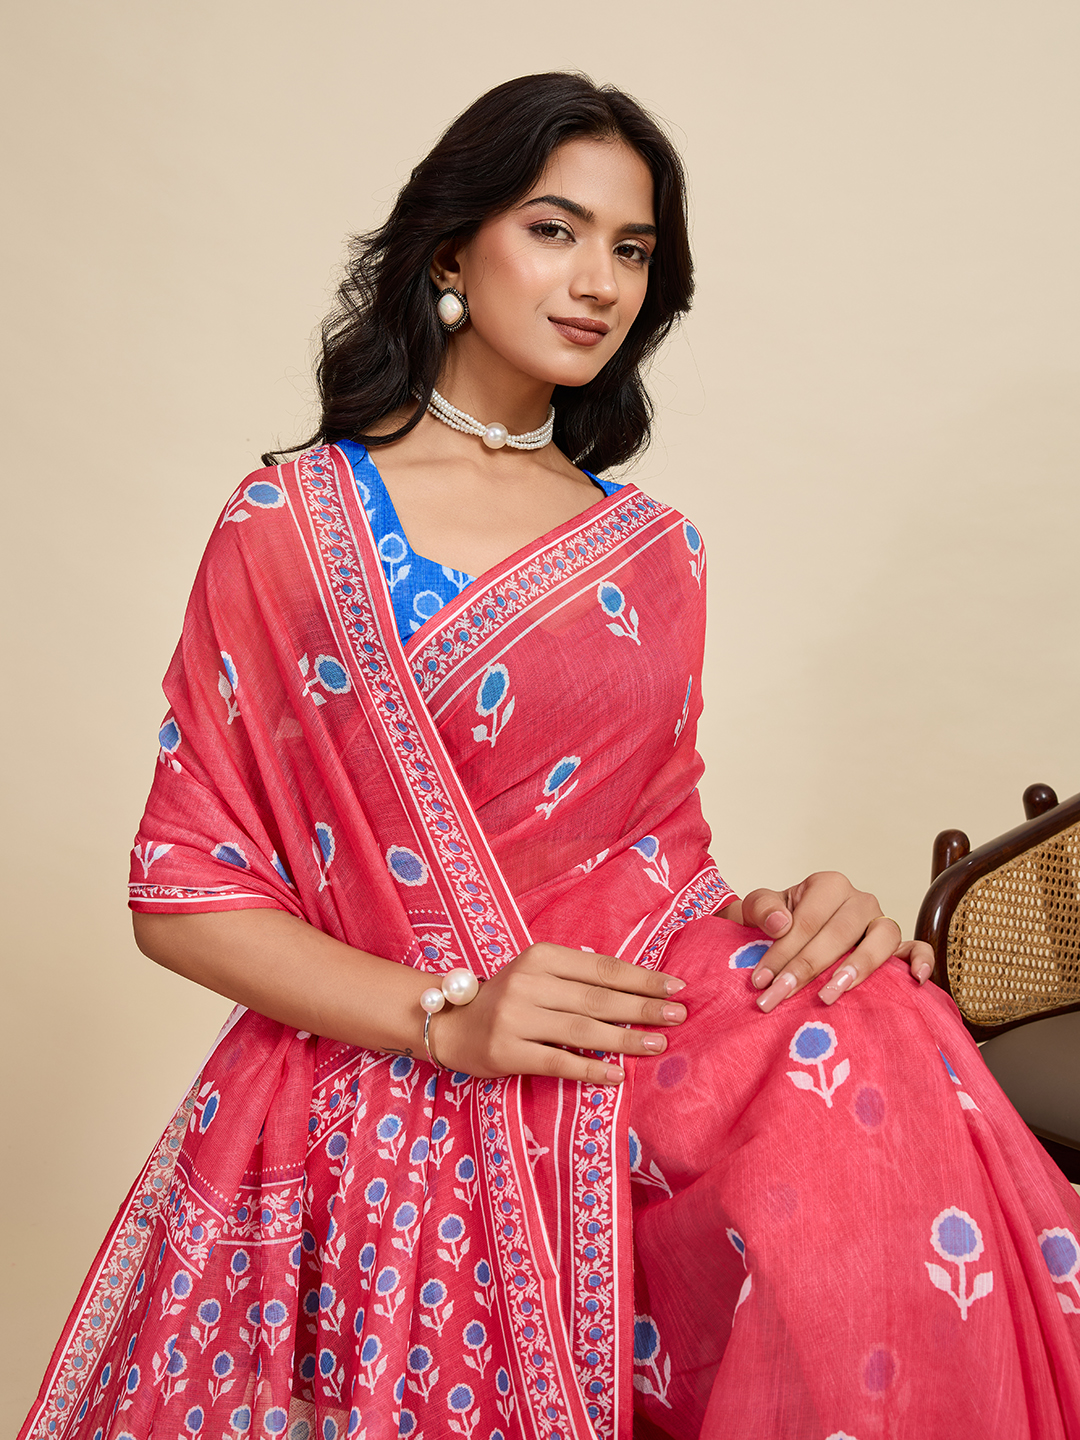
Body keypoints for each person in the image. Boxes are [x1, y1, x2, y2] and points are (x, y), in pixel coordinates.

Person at [21, 72, 1080, 1440]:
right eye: (554, 229)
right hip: (370, 1081)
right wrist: (447, 1018)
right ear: (449, 253)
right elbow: (182, 889)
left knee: (867, 1025)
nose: (597, 283)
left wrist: (782, 923)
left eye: (631, 250)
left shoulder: (654, 552)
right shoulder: (289, 527)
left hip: (598, 1069)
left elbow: (654, 871)